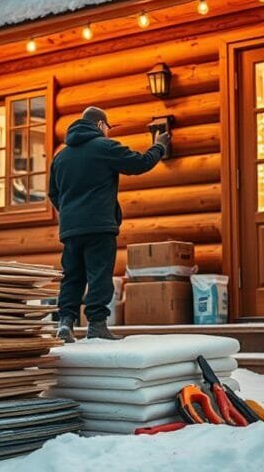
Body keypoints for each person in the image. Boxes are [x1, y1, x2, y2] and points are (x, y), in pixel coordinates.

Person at [48, 106, 171, 342]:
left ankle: (65, 323)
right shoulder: (104, 148)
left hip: (71, 230)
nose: (108, 132)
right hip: (99, 225)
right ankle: (97, 325)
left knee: (72, 276)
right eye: (108, 128)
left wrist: (70, 212)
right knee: (98, 275)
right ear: (101, 125)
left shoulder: (60, 157)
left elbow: (53, 193)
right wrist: (159, 145)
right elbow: (140, 164)